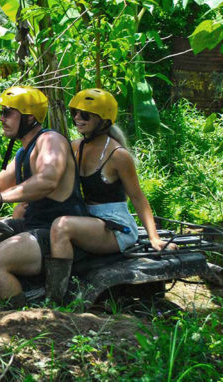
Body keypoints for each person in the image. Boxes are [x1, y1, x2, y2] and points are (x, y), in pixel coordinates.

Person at [0, 86, 87, 307]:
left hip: (55, 232)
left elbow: (47, 180)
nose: (2, 118)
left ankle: (20, 317)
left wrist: (0, 197)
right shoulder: (25, 150)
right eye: (1, 112)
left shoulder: (50, 140)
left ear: (29, 116)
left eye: (8, 112)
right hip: (35, 224)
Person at [49, 88, 176, 303]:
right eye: (75, 113)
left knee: (62, 226)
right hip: (87, 218)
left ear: (103, 120)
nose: (78, 118)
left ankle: (58, 299)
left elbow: (137, 197)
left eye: (85, 114)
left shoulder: (118, 155)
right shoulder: (75, 146)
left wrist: (154, 238)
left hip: (115, 225)